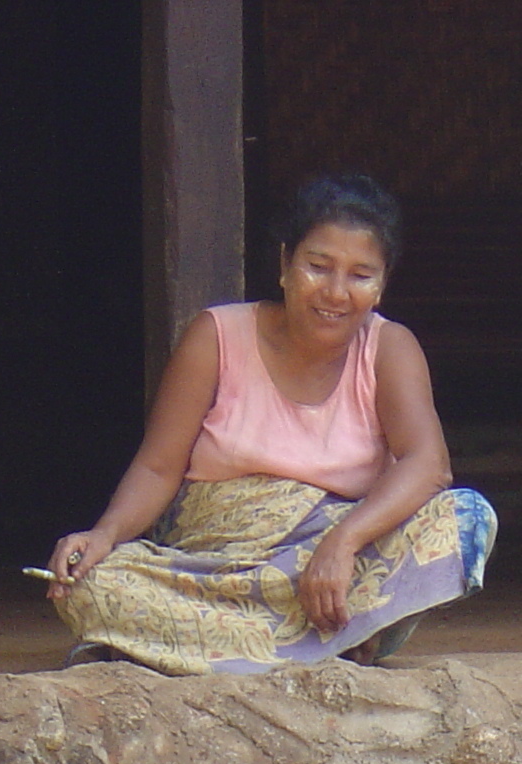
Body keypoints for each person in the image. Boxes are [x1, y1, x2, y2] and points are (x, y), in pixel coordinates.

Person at [47, 172, 497, 675]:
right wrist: (105, 535)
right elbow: (157, 468)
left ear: (381, 286)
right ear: (285, 264)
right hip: (210, 574)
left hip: (322, 570)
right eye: (318, 266)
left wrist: (340, 543)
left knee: (465, 520)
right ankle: (327, 643)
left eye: (360, 275)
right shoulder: (216, 337)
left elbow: (428, 465)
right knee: (92, 585)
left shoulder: (389, 348)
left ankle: (192, 651)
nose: (335, 292)